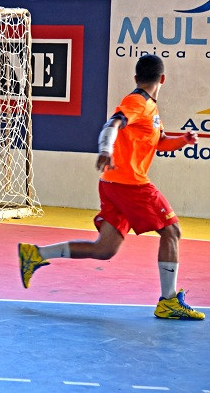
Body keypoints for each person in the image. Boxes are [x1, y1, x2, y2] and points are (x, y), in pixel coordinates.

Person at [18, 54, 204, 320]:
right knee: (172, 231)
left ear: (137, 77)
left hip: (114, 185)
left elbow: (158, 142)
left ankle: (34, 254)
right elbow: (112, 124)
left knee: (104, 249)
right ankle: (169, 301)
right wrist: (105, 149)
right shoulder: (136, 102)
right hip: (131, 186)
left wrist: (181, 140)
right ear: (162, 79)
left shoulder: (149, 107)